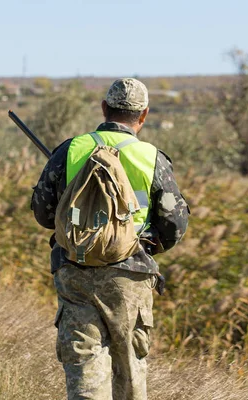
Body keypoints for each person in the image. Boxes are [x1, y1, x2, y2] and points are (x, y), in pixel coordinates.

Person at [31, 78, 189, 400]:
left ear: (104, 109)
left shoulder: (71, 149)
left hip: (74, 273)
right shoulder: (151, 158)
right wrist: (139, 244)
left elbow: (43, 213)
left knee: (85, 373)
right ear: (143, 115)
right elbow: (174, 224)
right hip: (129, 278)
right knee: (130, 375)